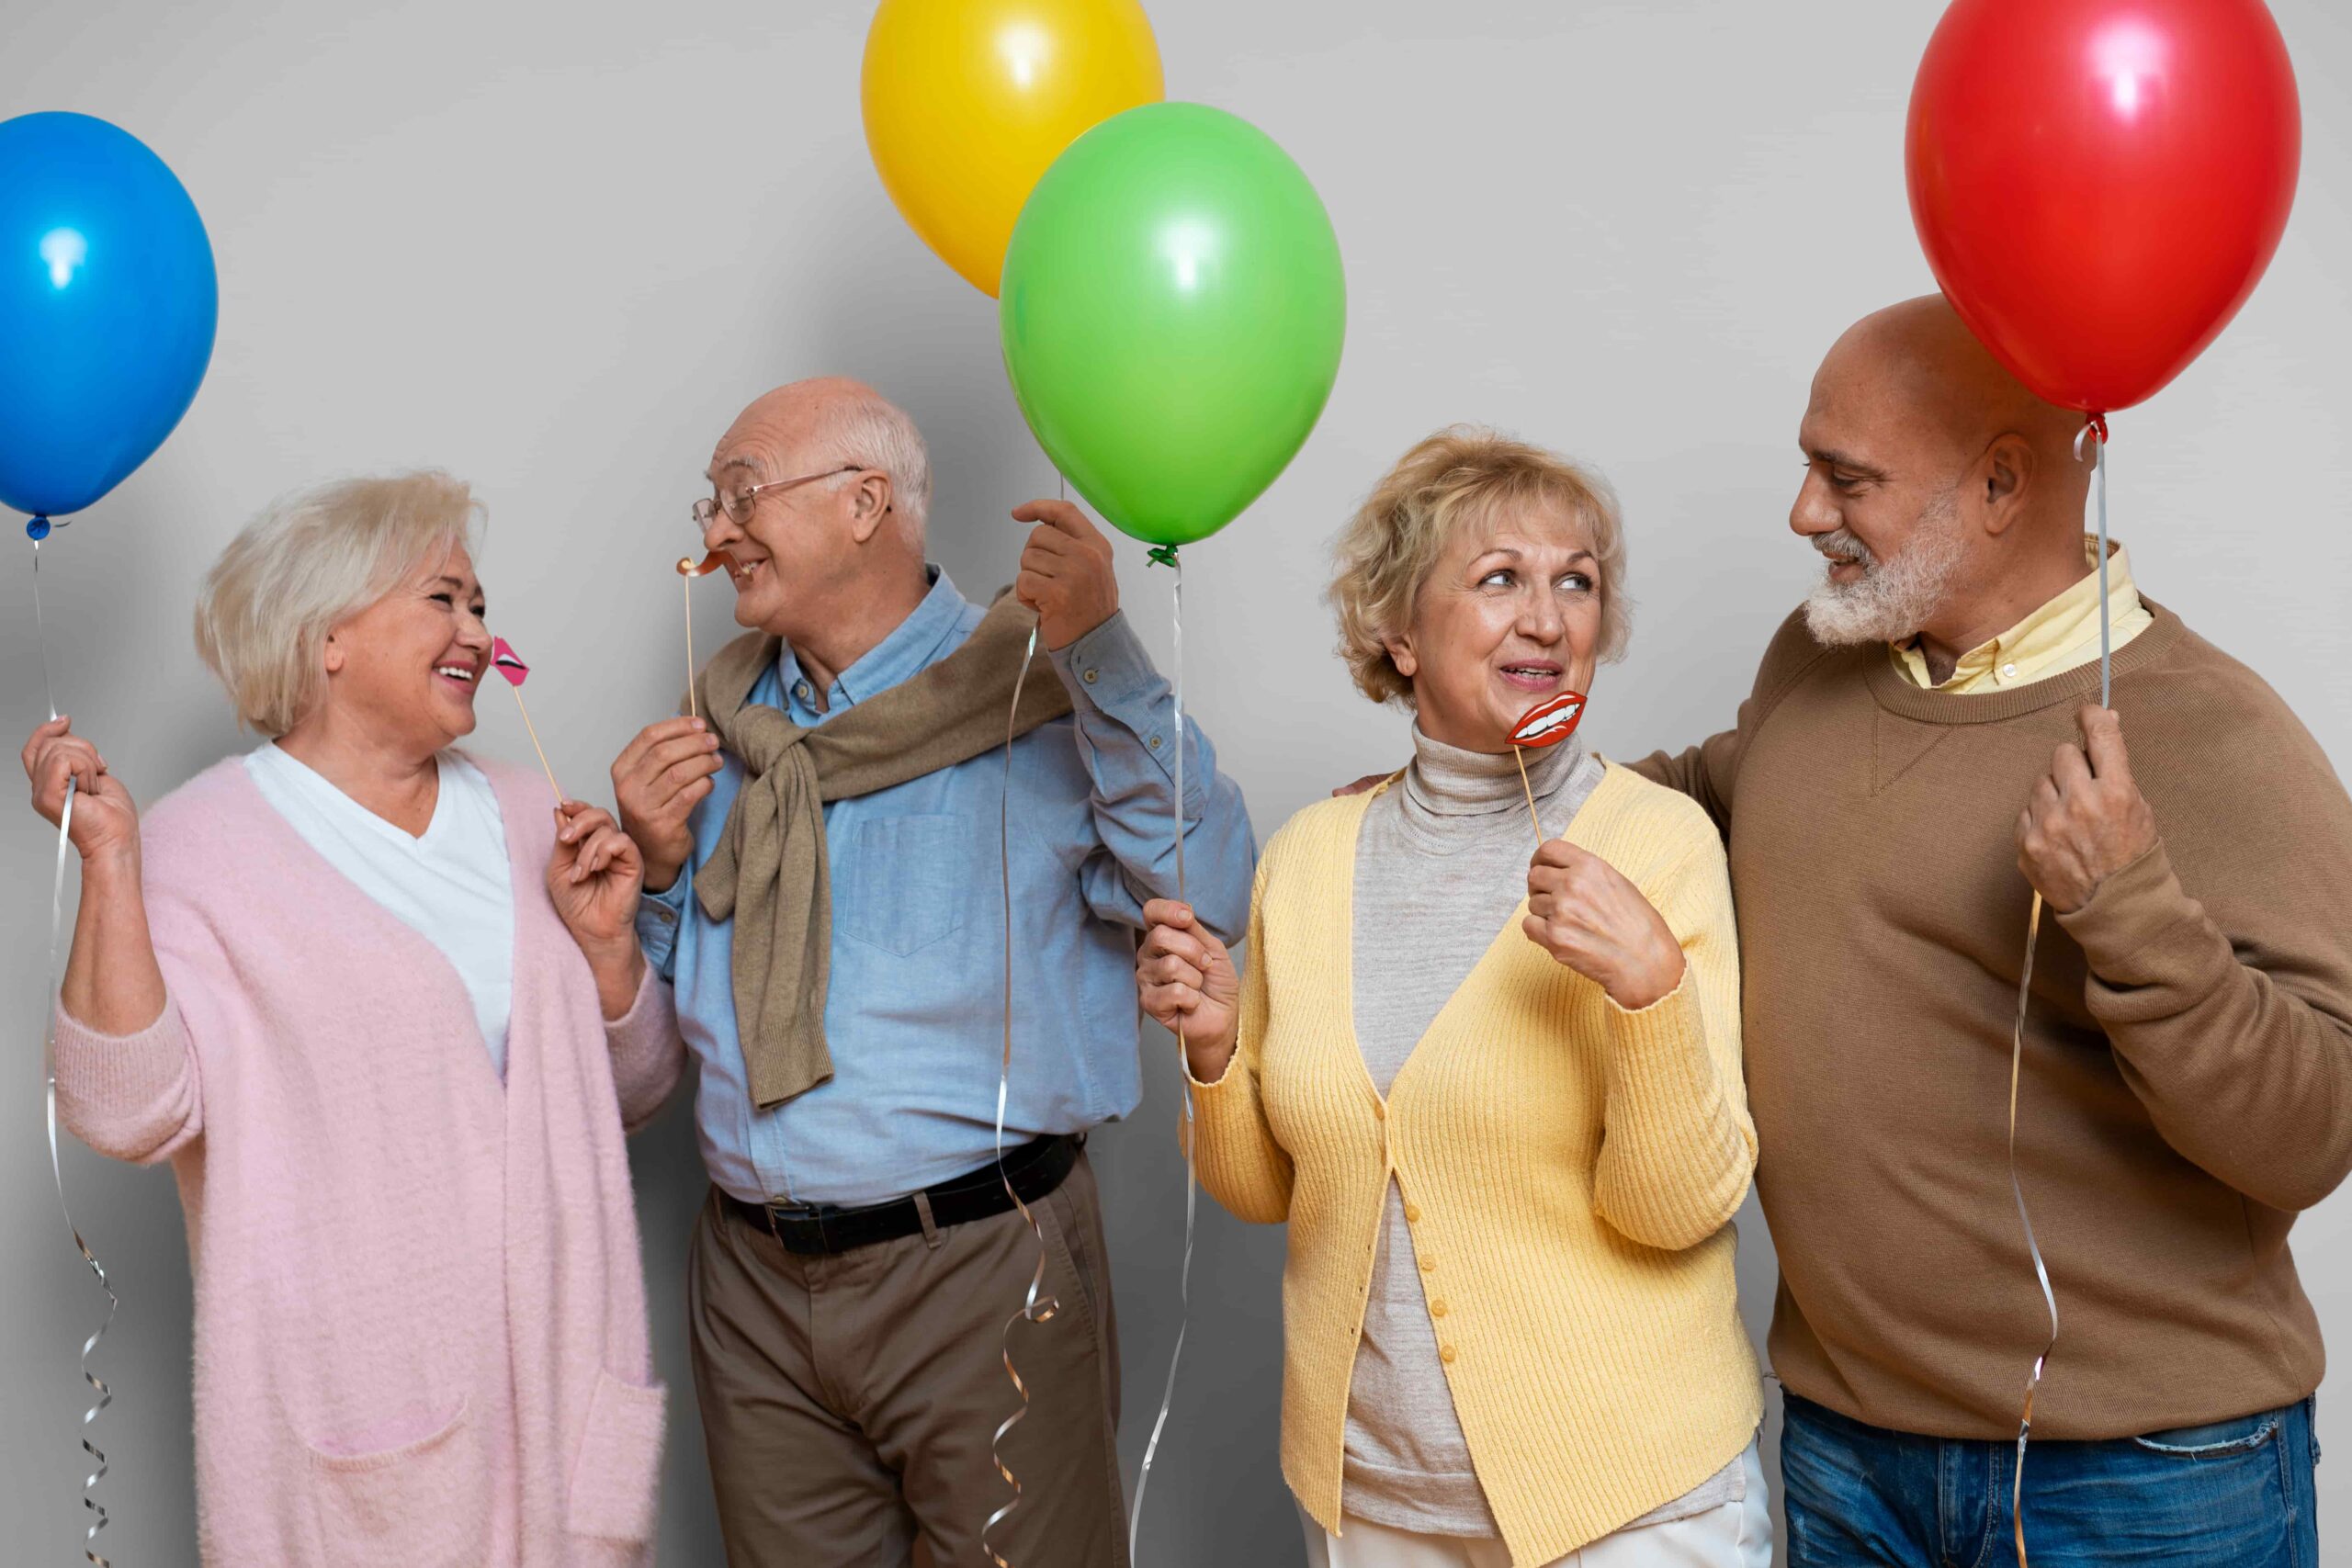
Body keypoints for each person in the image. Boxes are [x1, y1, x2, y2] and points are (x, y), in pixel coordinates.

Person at [1632, 297, 2352, 1566]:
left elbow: (2314, 1131)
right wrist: (1466, 800)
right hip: (1849, 1444)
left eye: (1844, 477)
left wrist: (2128, 908)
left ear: (2001, 483)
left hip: (2141, 1476)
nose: (1804, 513)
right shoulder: (1819, 665)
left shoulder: (2217, 735)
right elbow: (1713, 794)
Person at [607, 378, 1254, 1568]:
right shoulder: (721, 726)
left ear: (866, 504)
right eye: (711, 501)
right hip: (751, 1287)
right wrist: (647, 876)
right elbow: (647, 1047)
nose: (713, 532)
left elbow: (1204, 882)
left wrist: (1104, 649)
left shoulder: (1040, 680)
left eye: (743, 493)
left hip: (981, 1263)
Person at [1141, 427, 1771, 1568]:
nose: (1548, 618)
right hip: (1374, 1511)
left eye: (1575, 582)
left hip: (1625, 1506)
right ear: (1398, 630)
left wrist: (1651, 993)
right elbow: (1267, 1194)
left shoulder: (1656, 844)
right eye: (1499, 581)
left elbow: (1676, 1212)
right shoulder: (1311, 854)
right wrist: (1216, 1050)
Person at [27, 472, 682, 1567]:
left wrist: (610, 948)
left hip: (565, 1410)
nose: (477, 627)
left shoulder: (534, 815)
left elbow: (634, 1093)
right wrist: (111, 863)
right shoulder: (201, 848)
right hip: (358, 1433)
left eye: (481, 603)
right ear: (327, 637)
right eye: (444, 599)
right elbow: (127, 1112)